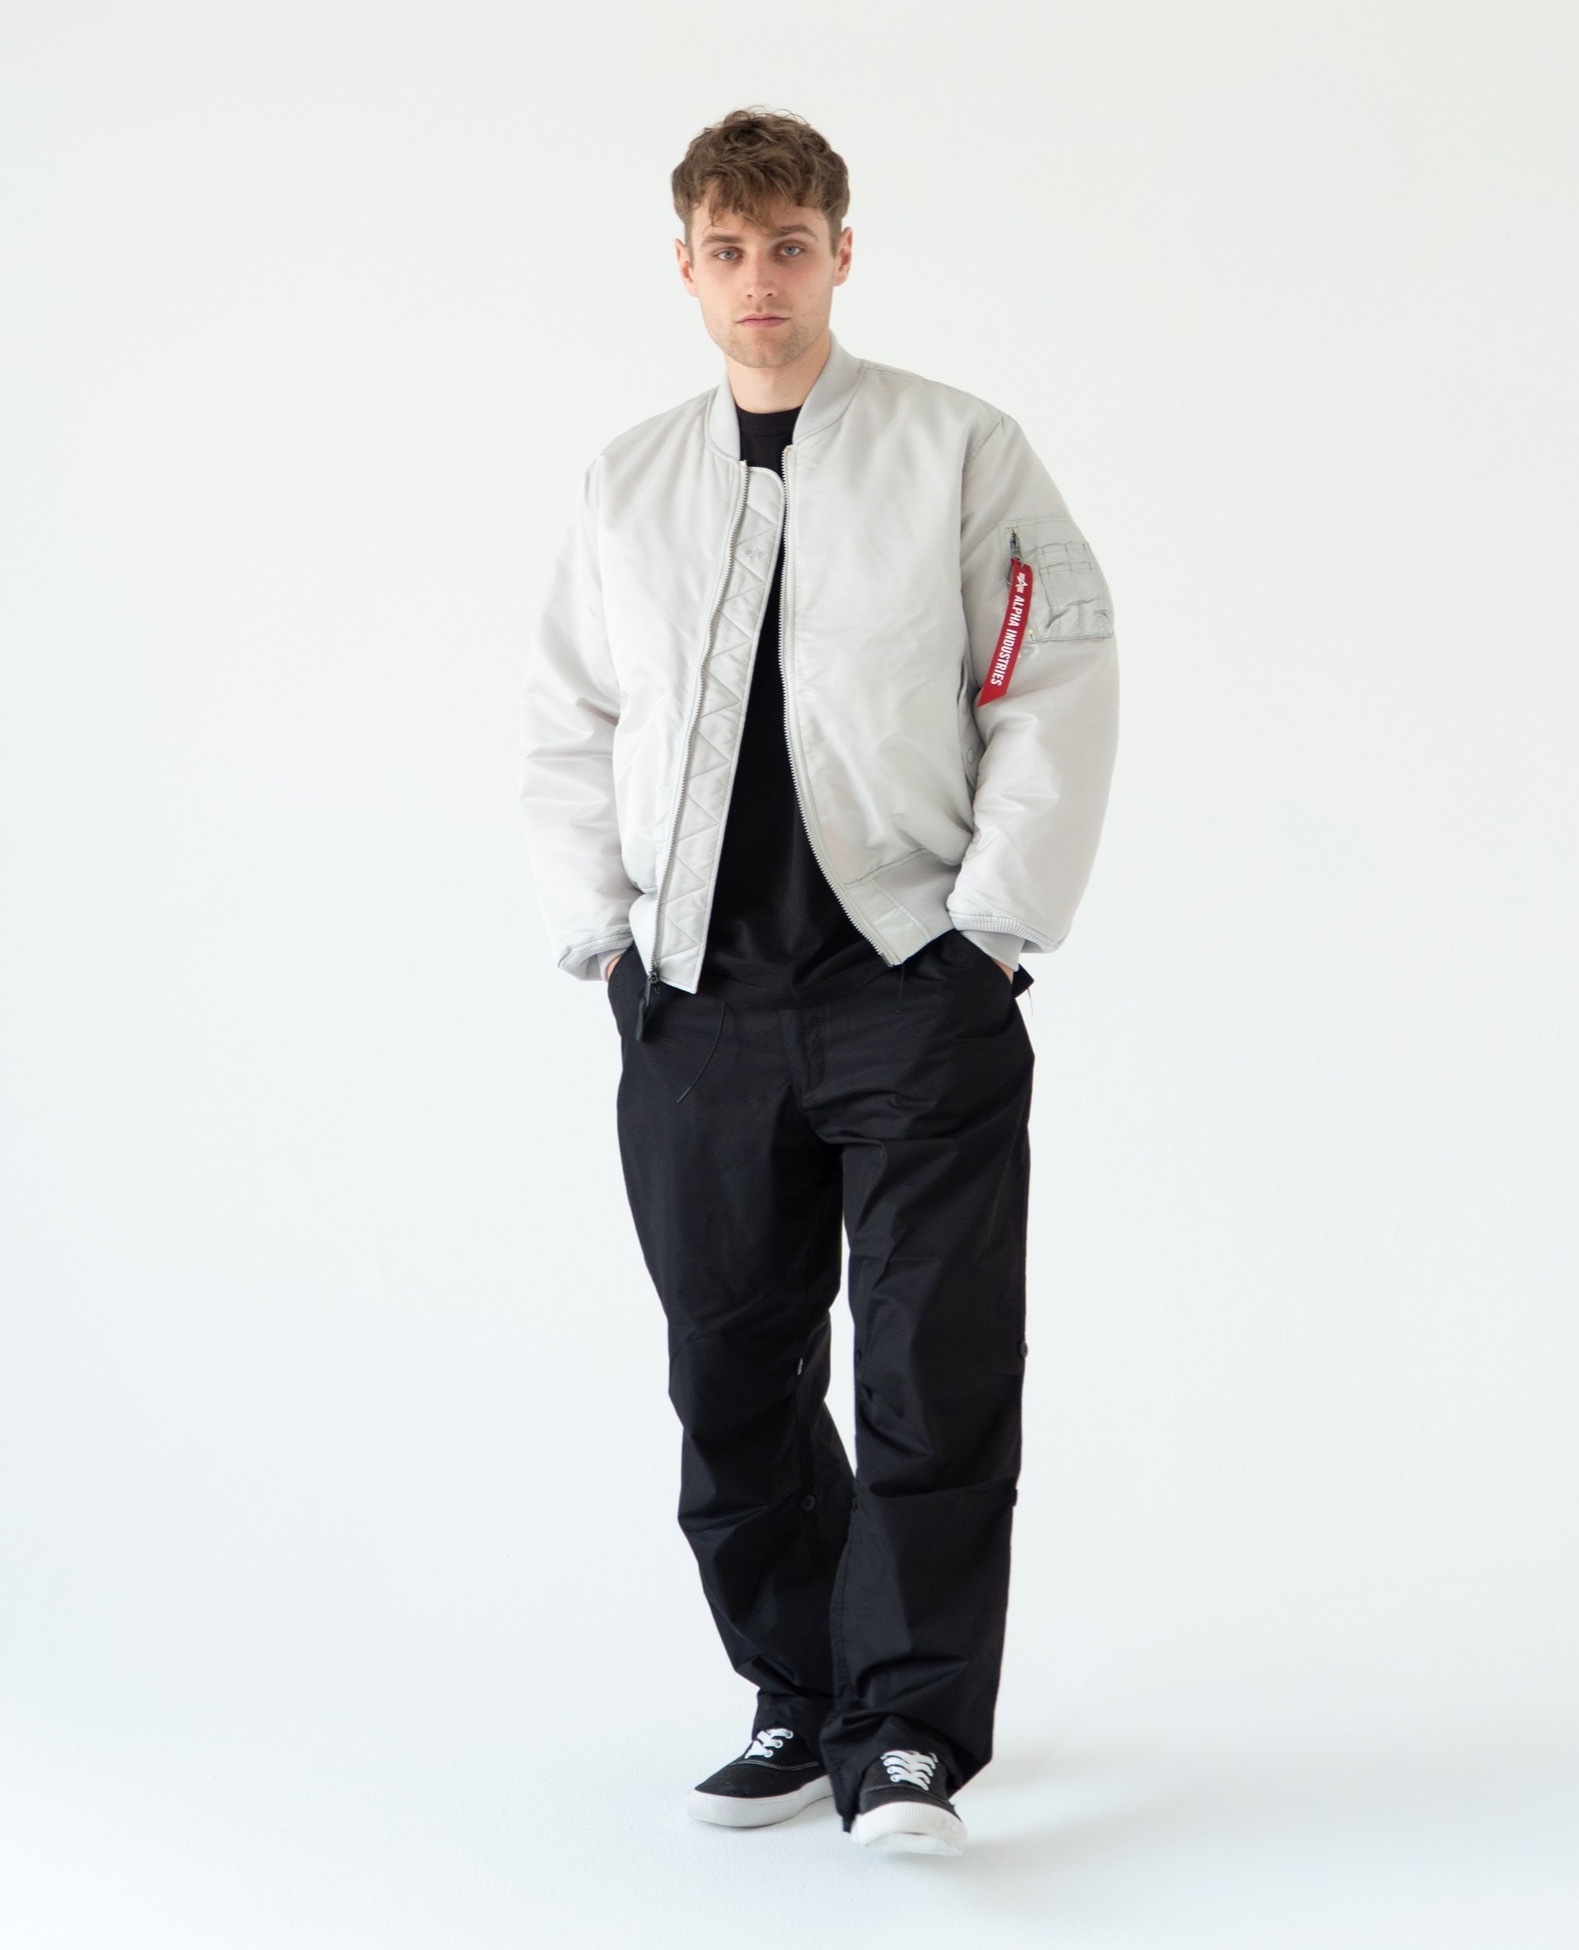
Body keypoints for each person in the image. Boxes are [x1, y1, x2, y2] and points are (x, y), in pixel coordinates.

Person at [518, 106, 1119, 1856]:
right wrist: (606, 943)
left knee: (934, 1371)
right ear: (685, 267)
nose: (760, 279)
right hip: (696, 1009)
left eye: (790, 246)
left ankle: (910, 1733)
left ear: (842, 255)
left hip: (910, 993)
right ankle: (801, 1688)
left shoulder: (958, 449)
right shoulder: (627, 481)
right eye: (728, 249)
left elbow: (1055, 682)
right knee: (730, 1375)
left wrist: (988, 934)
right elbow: (568, 715)